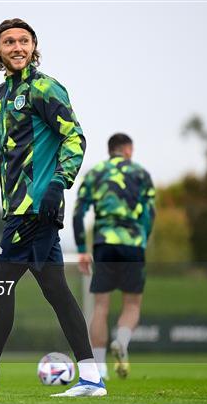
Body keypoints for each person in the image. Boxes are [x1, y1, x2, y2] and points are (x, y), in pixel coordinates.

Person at [0, 18, 106, 398]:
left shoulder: (45, 88)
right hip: (18, 211)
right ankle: (92, 377)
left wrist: (59, 183)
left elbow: (74, 136)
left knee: (0, 286)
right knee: (56, 291)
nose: (17, 47)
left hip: (36, 210)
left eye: (24, 41)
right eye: (9, 41)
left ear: (34, 46)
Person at [73, 133, 155, 379]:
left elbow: (78, 213)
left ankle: (99, 368)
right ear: (128, 149)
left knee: (100, 306)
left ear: (111, 150)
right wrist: (143, 239)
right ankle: (121, 340)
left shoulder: (96, 172)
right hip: (133, 244)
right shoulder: (141, 173)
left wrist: (81, 250)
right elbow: (149, 213)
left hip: (104, 244)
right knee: (132, 304)